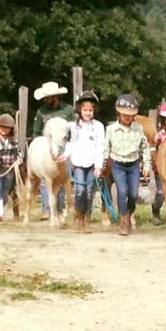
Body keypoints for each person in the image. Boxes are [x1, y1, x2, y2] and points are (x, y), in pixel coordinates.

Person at [104, 93, 151, 236]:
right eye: (124, 114)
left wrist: (146, 165)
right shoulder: (111, 129)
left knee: (133, 193)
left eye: (130, 115)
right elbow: (106, 147)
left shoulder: (138, 128)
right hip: (118, 164)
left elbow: (145, 147)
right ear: (118, 113)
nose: (127, 117)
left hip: (133, 165)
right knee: (122, 191)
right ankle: (123, 220)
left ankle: (129, 212)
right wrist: (101, 165)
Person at [32, 81, 76, 216]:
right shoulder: (41, 112)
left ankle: (60, 209)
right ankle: (47, 210)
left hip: (65, 147)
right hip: (47, 147)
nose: (46, 100)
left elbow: (73, 130)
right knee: (46, 180)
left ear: (55, 96)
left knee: (63, 178)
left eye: (47, 97)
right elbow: (37, 132)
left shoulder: (68, 110)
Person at [66, 90, 105, 233]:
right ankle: (78, 217)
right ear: (79, 109)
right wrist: (65, 155)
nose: (88, 113)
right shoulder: (73, 126)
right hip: (78, 163)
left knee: (89, 192)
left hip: (92, 164)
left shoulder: (99, 126)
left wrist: (98, 166)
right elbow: (70, 144)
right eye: (85, 110)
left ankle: (87, 219)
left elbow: (100, 146)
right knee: (80, 190)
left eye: (90, 110)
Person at [0, 113, 23, 222]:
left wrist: (19, 160)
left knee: (5, 191)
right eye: (2, 127)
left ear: (10, 129)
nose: (4, 129)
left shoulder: (14, 142)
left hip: (9, 169)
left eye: (7, 128)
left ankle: (0, 210)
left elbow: (19, 153)